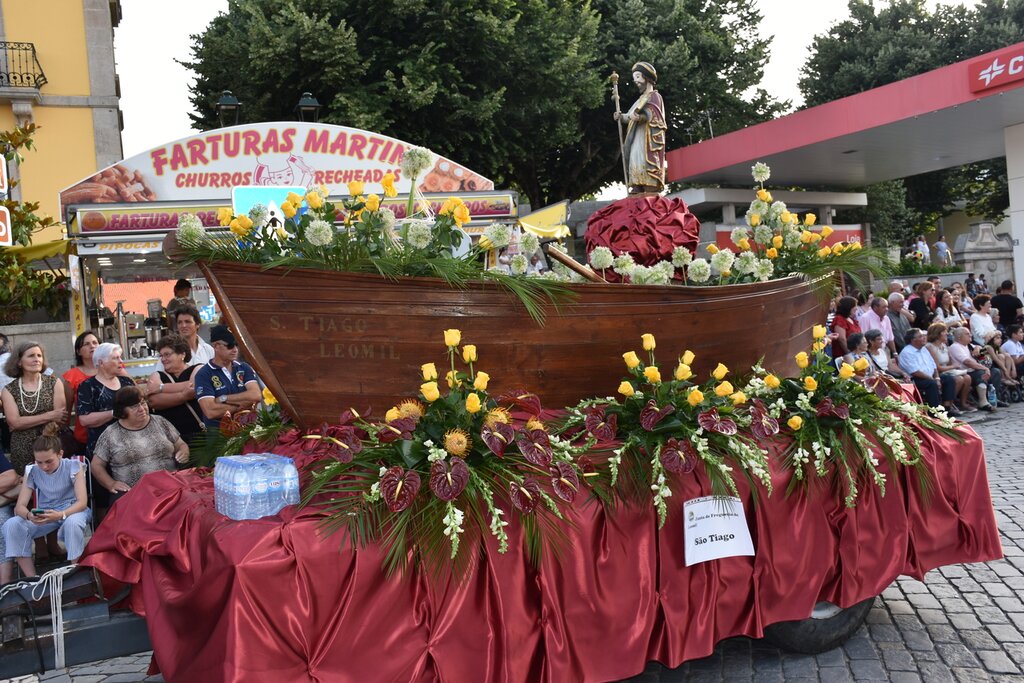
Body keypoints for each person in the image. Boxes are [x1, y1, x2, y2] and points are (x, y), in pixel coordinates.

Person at [0, 424, 90, 583]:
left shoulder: (73, 466)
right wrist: (29, 515)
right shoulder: (32, 470)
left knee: (72, 523)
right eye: (39, 462)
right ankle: (33, 580)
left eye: (49, 461)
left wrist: (61, 514)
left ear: (60, 454)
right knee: (11, 525)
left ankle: (75, 573)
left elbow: (82, 502)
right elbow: (20, 507)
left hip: (73, 510)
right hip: (47, 513)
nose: (44, 467)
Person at [92, 386, 188, 501]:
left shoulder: (160, 421)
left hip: (170, 486)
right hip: (133, 493)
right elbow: (96, 465)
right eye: (134, 406)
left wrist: (183, 452)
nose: (141, 409)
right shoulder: (110, 433)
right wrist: (111, 484)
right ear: (121, 410)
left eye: (143, 403)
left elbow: (181, 445)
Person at [0, 342, 68, 474]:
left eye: (39, 355)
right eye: (31, 356)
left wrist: (25, 421)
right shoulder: (9, 390)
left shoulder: (54, 382)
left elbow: (60, 417)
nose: (37, 359)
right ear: (19, 362)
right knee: (27, 483)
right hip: (22, 449)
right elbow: (14, 423)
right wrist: (49, 415)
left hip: (51, 446)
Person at [194, 326, 261, 432]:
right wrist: (241, 406)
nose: (235, 350)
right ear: (216, 346)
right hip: (220, 436)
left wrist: (223, 398)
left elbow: (255, 395)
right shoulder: (203, 374)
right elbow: (210, 411)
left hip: (247, 432)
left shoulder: (243, 367)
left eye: (236, 345)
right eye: (230, 346)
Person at [613, 61, 666, 194]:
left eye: (638, 76)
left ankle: (649, 183)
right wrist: (621, 116)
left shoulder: (655, 97)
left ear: (646, 77)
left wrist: (641, 117)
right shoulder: (640, 99)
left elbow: (657, 117)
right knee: (635, 157)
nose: (635, 80)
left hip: (648, 138)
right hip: (636, 135)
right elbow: (630, 115)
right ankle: (637, 184)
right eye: (634, 78)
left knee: (644, 158)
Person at [147, 334, 204, 446]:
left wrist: (161, 388)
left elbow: (194, 388)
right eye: (161, 355)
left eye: (167, 354)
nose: (163, 359)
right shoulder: (156, 375)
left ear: (182, 354)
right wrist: (184, 395)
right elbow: (154, 401)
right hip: (170, 440)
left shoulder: (198, 368)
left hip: (199, 436)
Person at [62, 330, 100, 455]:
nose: (92, 346)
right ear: (78, 351)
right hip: (84, 437)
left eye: (95, 342)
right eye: (87, 344)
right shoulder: (72, 376)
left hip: (112, 433)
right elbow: (66, 410)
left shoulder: (111, 368)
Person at [898, 328, 955, 409]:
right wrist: (932, 379)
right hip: (915, 379)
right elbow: (915, 372)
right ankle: (935, 410)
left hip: (930, 377)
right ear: (913, 340)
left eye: (924, 336)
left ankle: (947, 407)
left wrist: (937, 378)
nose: (924, 338)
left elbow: (933, 365)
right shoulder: (906, 352)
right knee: (931, 384)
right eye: (921, 336)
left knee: (948, 379)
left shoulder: (924, 349)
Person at [950, 327, 999, 411]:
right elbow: (967, 362)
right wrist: (985, 368)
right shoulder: (955, 347)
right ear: (959, 337)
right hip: (965, 372)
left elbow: (979, 347)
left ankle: (994, 398)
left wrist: (977, 348)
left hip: (975, 371)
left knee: (996, 372)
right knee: (981, 373)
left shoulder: (968, 345)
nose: (970, 335)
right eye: (967, 334)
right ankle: (983, 402)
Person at [925, 323, 967, 416]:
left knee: (967, 377)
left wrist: (953, 366)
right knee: (959, 379)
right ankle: (946, 404)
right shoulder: (930, 347)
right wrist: (953, 367)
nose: (947, 334)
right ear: (938, 333)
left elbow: (949, 362)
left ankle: (955, 403)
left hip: (947, 370)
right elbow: (938, 367)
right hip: (937, 373)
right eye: (944, 332)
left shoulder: (944, 345)